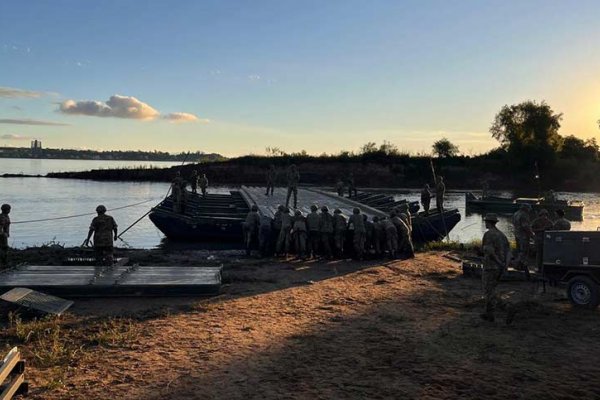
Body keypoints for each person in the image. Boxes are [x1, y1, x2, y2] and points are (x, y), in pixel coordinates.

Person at [480, 213, 510, 322]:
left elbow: (490, 252)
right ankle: (489, 314)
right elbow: (508, 252)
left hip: (490, 266)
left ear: (488, 222)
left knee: (488, 291)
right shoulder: (502, 235)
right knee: (492, 289)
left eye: (486, 222)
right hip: (500, 268)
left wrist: (499, 263)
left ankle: (506, 307)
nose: (485, 223)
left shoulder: (489, 234)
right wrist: (505, 265)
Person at [512, 204, 534, 274]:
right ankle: (519, 265)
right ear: (526, 209)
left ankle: (518, 265)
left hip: (517, 234)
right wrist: (531, 234)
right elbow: (525, 226)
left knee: (519, 250)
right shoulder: (524, 215)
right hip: (523, 235)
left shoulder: (516, 213)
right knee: (523, 251)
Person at [532, 209, 554, 273]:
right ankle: (538, 267)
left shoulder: (549, 222)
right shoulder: (536, 221)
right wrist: (541, 229)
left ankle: (544, 268)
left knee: (545, 255)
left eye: (545, 215)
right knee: (539, 254)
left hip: (547, 241)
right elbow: (533, 229)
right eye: (543, 215)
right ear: (540, 215)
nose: (544, 216)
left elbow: (552, 231)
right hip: (539, 240)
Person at [0, 204, 11, 269]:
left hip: (4, 235)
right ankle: (4, 262)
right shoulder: (2, 217)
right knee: (4, 248)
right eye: (9, 209)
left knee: (4, 248)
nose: (9, 211)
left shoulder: (6, 216)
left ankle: (4, 262)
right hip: (2, 236)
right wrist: (3, 234)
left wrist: (7, 233)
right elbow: (1, 226)